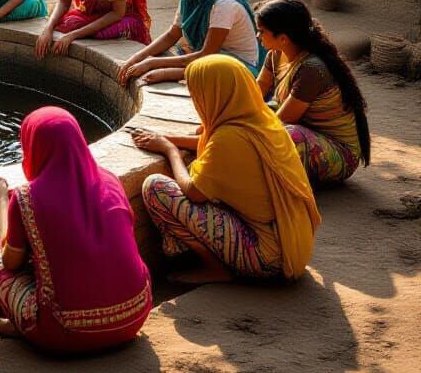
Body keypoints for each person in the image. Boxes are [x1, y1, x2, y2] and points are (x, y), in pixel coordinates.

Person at [0, 107, 151, 353]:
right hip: (134, 316)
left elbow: (10, 262)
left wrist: (2, 200)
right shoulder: (110, 181)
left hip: (64, 332)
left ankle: (26, 325)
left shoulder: (27, 198)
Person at [132, 54, 321, 284]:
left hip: (266, 257)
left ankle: (215, 268)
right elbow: (212, 145)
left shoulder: (228, 139)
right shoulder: (263, 122)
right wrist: (166, 137)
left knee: (156, 188)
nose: (196, 100)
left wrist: (170, 150)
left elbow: (193, 192)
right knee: (199, 170)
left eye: (197, 94)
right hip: (291, 243)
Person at [255, 0, 370, 185]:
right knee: (249, 115)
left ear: (283, 38)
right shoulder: (275, 55)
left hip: (338, 153)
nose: (257, 36)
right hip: (302, 129)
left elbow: (280, 121)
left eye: (261, 31)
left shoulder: (311, 69)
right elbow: (253, 94)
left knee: (280, 135)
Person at [117, 0, 263, 86]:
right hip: (214, 55)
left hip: (239, 65)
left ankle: (182, 73)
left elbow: (206, 55)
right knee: (179, 46)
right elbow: (172, 35)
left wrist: (153, 64)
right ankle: (182, 71)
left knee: (212, 70)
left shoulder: (224, 4)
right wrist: (136, 58)